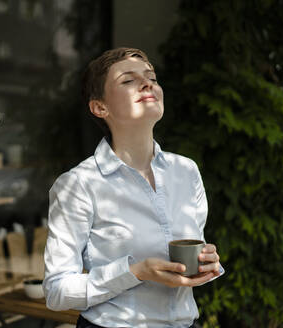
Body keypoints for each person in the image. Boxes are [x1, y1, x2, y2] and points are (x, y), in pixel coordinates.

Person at [42, 47, 224, 328]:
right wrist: (136, 271)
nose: (147, 83)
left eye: (151, 77)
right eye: (128, 80)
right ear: (100, 107)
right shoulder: (78, 184)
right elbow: (57, 291)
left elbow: (188, 261)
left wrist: (207, 263)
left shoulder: (186, 172)